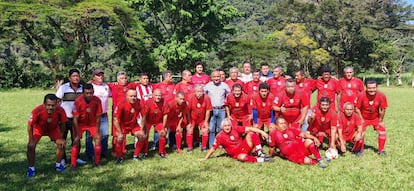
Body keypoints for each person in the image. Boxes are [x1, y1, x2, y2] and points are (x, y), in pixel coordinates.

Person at [27, 94, 67, 178]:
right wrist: (31, 139)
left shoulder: (61, 110)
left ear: (57, 104)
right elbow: (30, 125)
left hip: (53, 129)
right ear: (44, 104)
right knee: (31, 146)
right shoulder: (37, 110)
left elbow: (63, 124)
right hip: (39, 129)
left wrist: (61, 136)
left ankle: (58, 165)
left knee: (62, 143)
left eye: (53, 105)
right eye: (48, 105)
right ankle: (31, 168)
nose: (51, 107)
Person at [199, 118, 273, 163]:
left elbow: (250, 128)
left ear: (231, 125)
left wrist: (262, 132)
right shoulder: (219, 136)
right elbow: (213, 148)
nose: (227, 127)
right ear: (222, 127)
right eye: (225, 126)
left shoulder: (235, 128)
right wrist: (205, 158)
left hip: (245, 147)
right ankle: (262, 160)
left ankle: (260, 153)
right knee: (243, 158)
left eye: (228, 125)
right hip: (236, 154)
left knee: (251, 133)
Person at [55, 68, 85, 166]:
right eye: (74, 76)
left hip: (77, 118)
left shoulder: (83, 88)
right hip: (64, 118)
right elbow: (57, 101)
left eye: (77, 76)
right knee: (62, 138)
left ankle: (76, 157)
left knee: (76, 138)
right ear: (69, 78)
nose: (76, 78)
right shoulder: (64, 88)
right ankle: (62, 159)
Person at [72, 84, 103, 169]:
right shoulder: (77, 101)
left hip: (92, 124)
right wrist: (77, 134)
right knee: (76, 141)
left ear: (93, 92)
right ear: (83, 93)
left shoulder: (97, 100)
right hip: (81, 124)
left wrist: (97, 132)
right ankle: (73, 164)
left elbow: (98, 117)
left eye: (91, 93)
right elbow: (75, 119)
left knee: (98, 139)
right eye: (87, 93)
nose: (89, 95)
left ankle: (97, 162)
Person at [355, 80, 388, 156]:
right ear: (366, 88)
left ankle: (381, 150)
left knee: (382, 131)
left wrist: (380, 121)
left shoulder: (381, 96)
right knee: (360, 133)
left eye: (373, 88)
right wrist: (361, 119)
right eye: (369, 88)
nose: (371, 90)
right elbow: (357, 108)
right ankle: (360, 150)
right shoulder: (361, 95)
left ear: (377, 87)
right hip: (363, 118)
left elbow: (383, 109)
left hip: (375, 118)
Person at [113, 89, 146, 162]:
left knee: (142, 136)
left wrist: (142, 128)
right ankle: (119, 158)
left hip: (133, 124)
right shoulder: (121, 103)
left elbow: (144, 115)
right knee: (119, 138)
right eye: (131, 96)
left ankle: (135, 156)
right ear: (126, 96)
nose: (133, 98)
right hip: (122, 125)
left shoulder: (139, 102)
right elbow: (115, 118)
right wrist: (119, 132)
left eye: (135, 96)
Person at [86, 69, 111, 161]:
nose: (100, 77)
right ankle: (90, 154)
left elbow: (112, 94)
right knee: (90, 136)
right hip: (92, 115)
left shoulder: (106, 86)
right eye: (98, 75)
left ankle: (103, 154)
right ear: (93, 77)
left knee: (104, 135)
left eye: (101, 75)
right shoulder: (90, 86)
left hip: (103, 114)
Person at [108, 71, 133, 157]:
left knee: (124, 131)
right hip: (116, 113)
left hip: (126, 112)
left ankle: (123, 148)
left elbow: (139, 82)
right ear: (117, 79)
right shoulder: (113, 86)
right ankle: (114, 150)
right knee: (116, 133)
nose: (124, 80)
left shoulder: (130, 86)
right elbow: (98, 83)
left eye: (125, 78)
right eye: (122, 78)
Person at [204, 70, 231, 148]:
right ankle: (212, 144)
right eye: (214, 77)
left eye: (218, 76)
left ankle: (220, 144)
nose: (216, 78)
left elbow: (229, 95)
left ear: (220, 77)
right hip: (212, 109)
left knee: (221, 128)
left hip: (221, 109)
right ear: (211, 77)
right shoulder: (208, 86)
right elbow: (204, 95)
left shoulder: (224, 85)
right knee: (212, 128)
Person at [140, 89, 166, 158]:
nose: (158, 97)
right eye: (156, 95)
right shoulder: (148, 102)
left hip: (158, 121)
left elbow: (165, 115)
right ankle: (145, 152)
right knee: (145, 135)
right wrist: (143, 127)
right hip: (148, 120)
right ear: (153, 96)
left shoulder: (164, 102)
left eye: (159, 95)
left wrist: (163, 127)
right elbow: (144, 116)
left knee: (162, 134)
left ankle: (161, 152)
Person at [187, 85, 212, 152]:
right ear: (194, 92)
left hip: (202, 119)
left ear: (203, 92)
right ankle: (190, 147)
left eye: (201, 91)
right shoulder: (190, 97)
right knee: (190, 130)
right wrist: (189, 122)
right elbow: (188, 111)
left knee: (205, 130)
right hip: (192, 118)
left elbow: (208, 110)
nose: (199, 93)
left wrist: (206, 122)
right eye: (197, 91)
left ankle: (203, 147)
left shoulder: (206, 98)